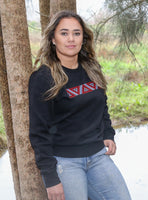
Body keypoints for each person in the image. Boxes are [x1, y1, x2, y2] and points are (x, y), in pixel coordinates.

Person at [28, 10, 131, 200]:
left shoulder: (91, 69)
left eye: (77, 33)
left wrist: (108, 133)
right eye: (64, 33)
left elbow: (102, 105)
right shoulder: (42, 78)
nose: (71, 39)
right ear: (52, 38)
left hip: (98, 156)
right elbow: (38, 132)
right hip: (65, 163)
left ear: (83, 38)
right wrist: (51, 178)